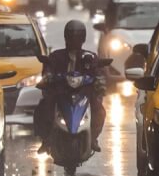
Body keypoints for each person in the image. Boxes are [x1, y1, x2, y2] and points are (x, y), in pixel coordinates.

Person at [35, 20, 106, 154]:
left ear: (83, 38)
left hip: (84, 93)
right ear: (66, 37)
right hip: (60, 92)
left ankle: (93, 138)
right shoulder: (56, 56)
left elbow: (98, 72)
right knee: (43, 106)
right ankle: (46, 139)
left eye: (78, 36)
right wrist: (48, 78)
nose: (75, 40)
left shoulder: (90, 57)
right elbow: (48, 69)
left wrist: (99, 82)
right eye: (72, 36)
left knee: (99, 109)